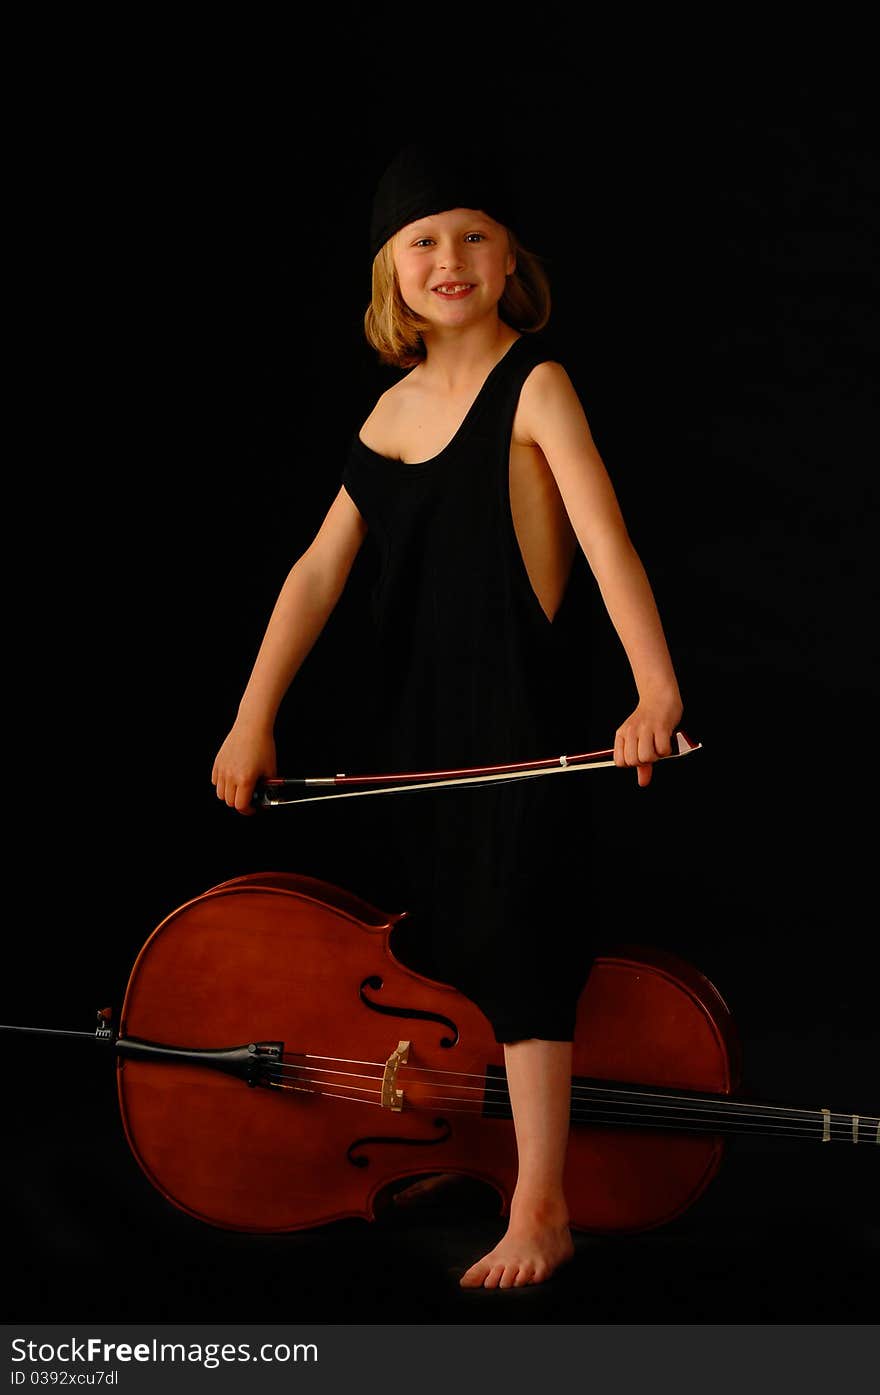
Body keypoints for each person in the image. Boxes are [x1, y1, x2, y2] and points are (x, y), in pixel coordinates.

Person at [211, 141, 684, 1290]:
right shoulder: (387, 415)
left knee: (525, 949)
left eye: (472, 234)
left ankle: (540, 1206)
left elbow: (605, 538)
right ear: (389, 275)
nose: (449, 258)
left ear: (509, 256)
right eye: (422, 241)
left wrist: (654, 688)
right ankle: (473, 1154)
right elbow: (315, 573)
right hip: (421, 735)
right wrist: (249, 717)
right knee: (448, 951)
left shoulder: (537, 384)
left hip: (520, 723)